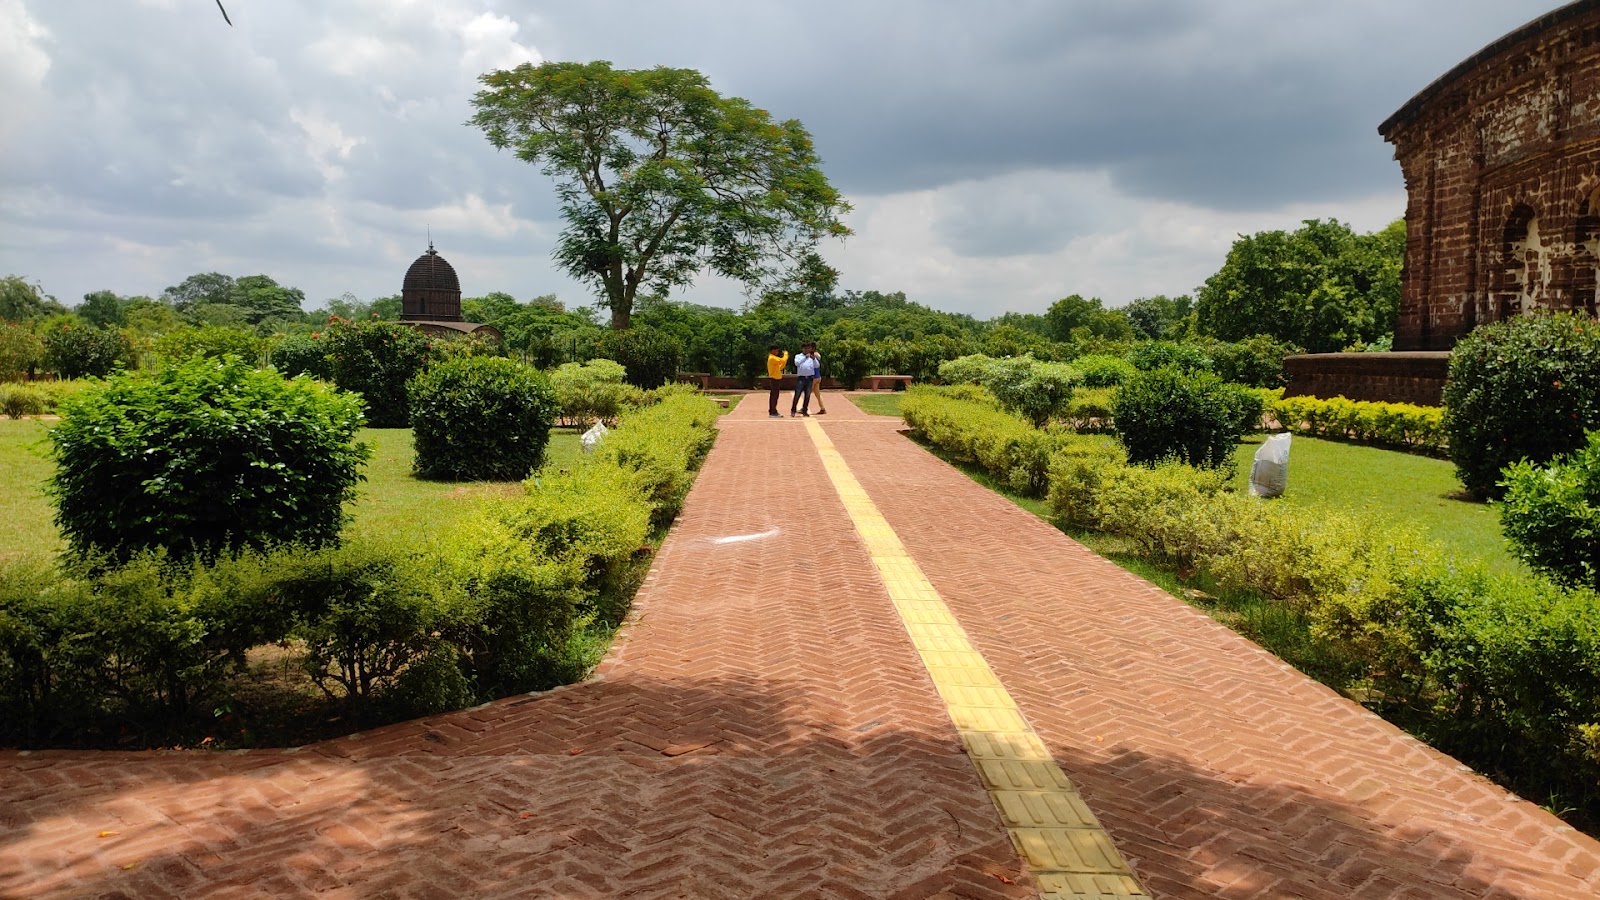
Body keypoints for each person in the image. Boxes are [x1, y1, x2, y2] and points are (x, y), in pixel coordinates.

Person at [791, 341, 820, 417]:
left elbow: (817, 366)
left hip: (810, 378)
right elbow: (797, 363)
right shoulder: (798, 356)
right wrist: (805, 357)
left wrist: (813, 359)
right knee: (797, 394)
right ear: (802, 349)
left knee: (807, 395)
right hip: (801, 378)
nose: (807, 350)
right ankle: (793, 410)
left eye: (808, 348)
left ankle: (805, 410)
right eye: (806, 348)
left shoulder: (812, 357)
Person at [765, 344, 789, 418]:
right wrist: (786, 354)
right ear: (773, 350)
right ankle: (773, 412)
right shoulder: (772, 358)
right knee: (774, 396)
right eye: (776, 350)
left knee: (775, 396)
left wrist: (785, 360)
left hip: (776, 379)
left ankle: (773, 410)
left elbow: (781, 365)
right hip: (774, 379)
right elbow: (782, 360)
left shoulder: (774, 358)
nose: (777, 352)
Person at [807, 345, 827, 415]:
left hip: (813, 378)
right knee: (817, 394)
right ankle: (822, 408)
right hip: (818, 377)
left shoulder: (810, 356)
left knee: (807, 392)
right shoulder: (818, 355)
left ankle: (804, 408)